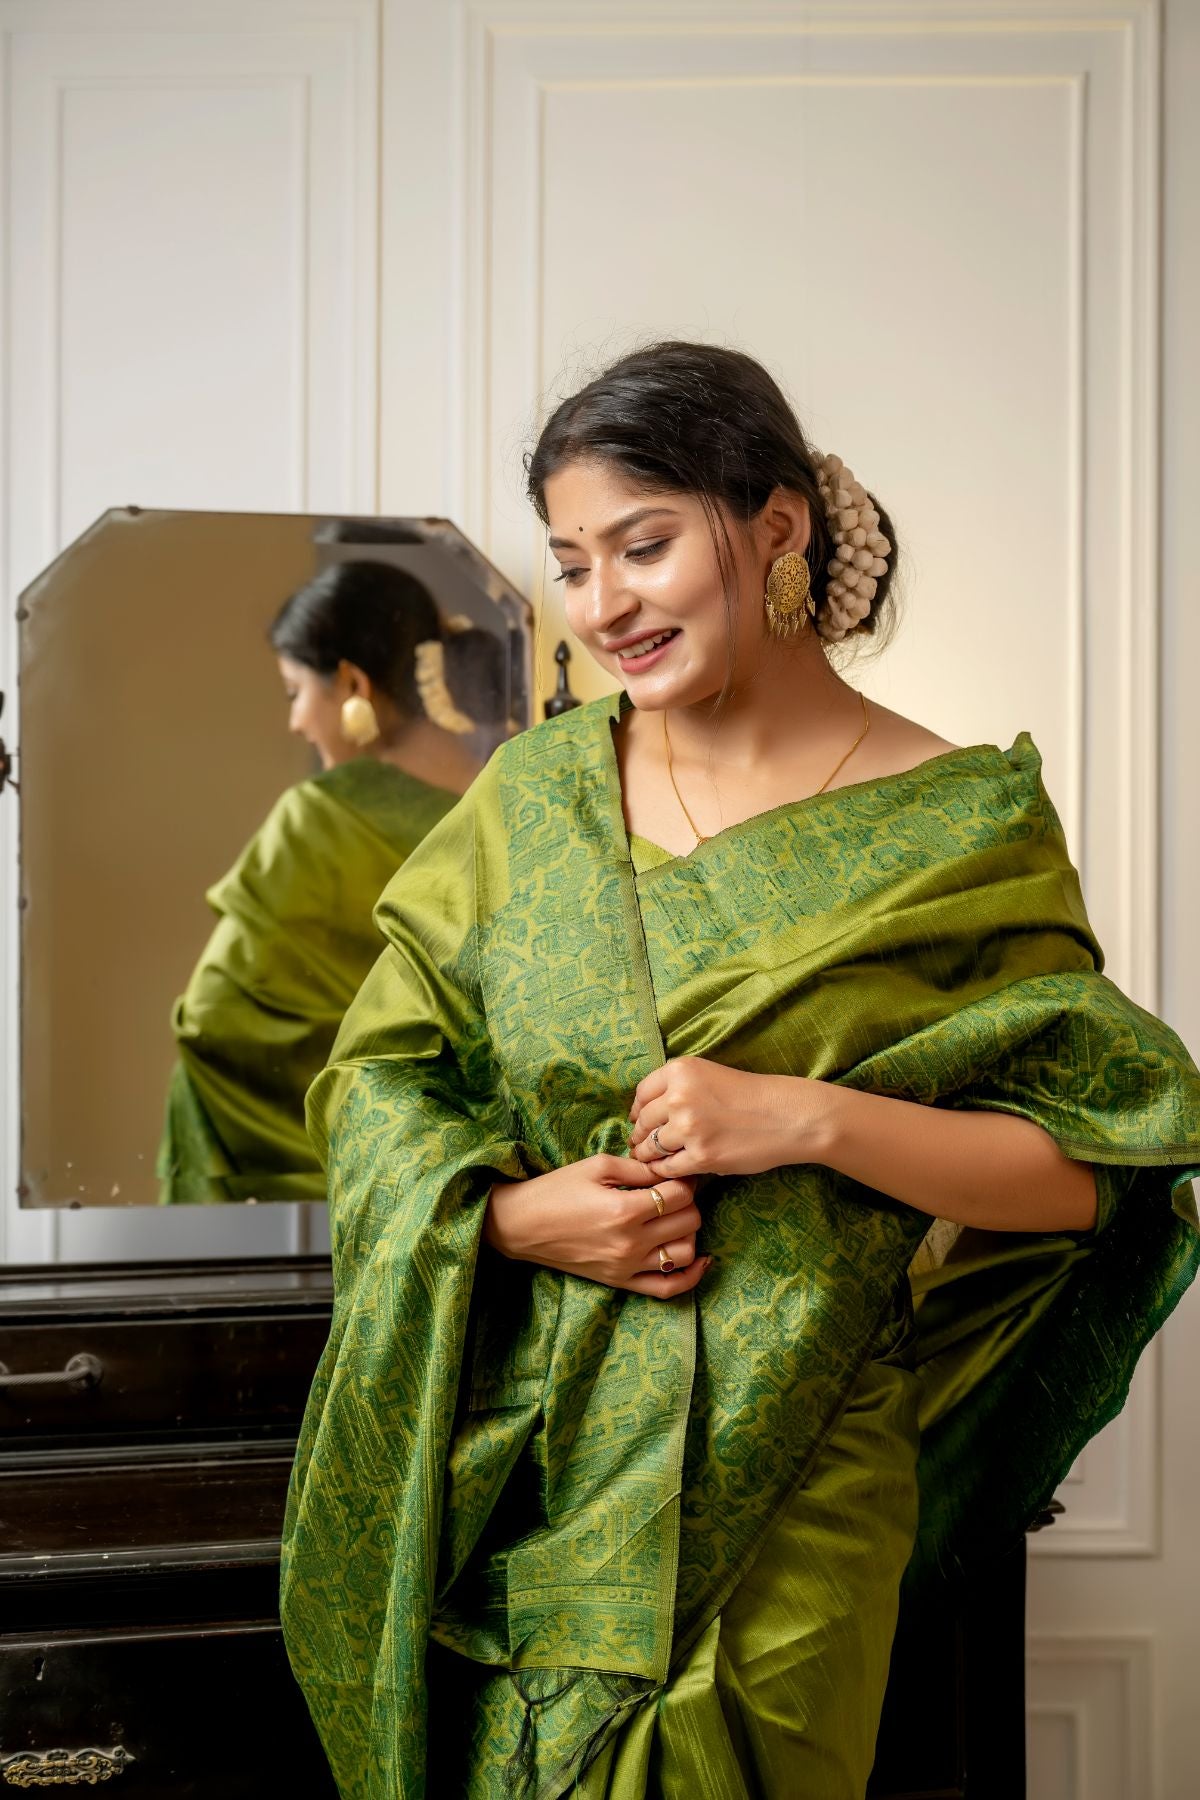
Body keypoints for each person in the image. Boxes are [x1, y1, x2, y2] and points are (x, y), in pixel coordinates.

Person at [280, 343, 1200, 1797]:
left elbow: (1099, 1172)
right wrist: (514, 1219)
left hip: (794, 1495)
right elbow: (381, 1082)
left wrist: (813, 1120)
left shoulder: (958, 827)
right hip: (533, 1474)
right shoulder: (537, 800)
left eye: (644, 546)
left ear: (776, 527)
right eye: (575, 564)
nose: (604, 606)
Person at [158, 558, 502, 1204]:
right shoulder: (511, 806)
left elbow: (212, 1025)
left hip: (310, 1214)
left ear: (350, 684)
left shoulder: (315, 819)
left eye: (294, 691)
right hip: (474, 1196)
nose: (294, 720)